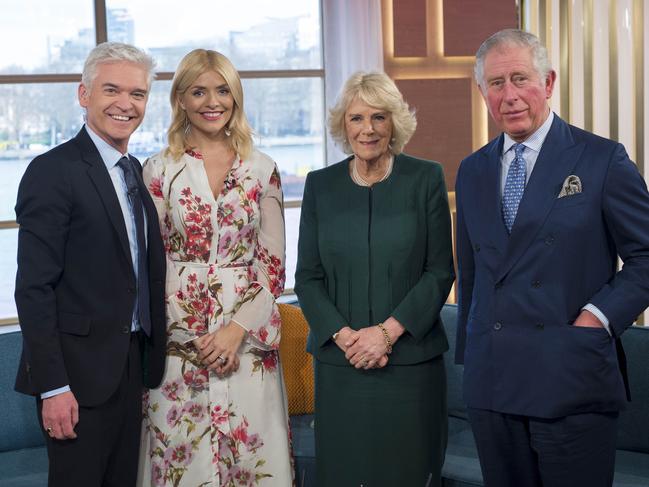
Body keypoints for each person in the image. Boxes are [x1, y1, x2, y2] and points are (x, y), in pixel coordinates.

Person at [455, 28, 649, 487]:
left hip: (569, 373)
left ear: (549, 82)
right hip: (493, 379)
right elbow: (473, 273)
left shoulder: (602, 159)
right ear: (482, 92)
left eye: (521, 78)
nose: (510, 95)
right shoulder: (473, 169)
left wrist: (597, 319)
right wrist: (472, 353)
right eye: (497, 84)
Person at [14, 42, 167, 486]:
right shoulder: (52, 171)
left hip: (129, 367)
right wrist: (54, 387)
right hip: (75, 379)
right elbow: (34, 290)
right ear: (84, 95)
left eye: (137, 94)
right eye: (111, 90)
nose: (126, 104)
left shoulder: (134, 170)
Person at [138, 49, 293, 486]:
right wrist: (194, 334)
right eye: (199, 91)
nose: (213, 101)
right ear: (181, 99)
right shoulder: (158, 170)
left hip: (247, 342)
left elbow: (272, 268)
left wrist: (234, 331)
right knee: (183, 466)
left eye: (223, 90)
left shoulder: (263, 169)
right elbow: (152, 262)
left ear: (236, 96)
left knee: (253, 461)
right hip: (179, 345)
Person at [295, 71, 455, 487]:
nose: (368, 129)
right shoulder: (320, 185)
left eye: (379, 117)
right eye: (357, 118)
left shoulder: (425, 179)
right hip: (340, 366)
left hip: (410, 367)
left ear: (394, 123)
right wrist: (349, 339)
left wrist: (384, 335)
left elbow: (439, 271)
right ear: (343, 125)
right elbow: (307, 277)